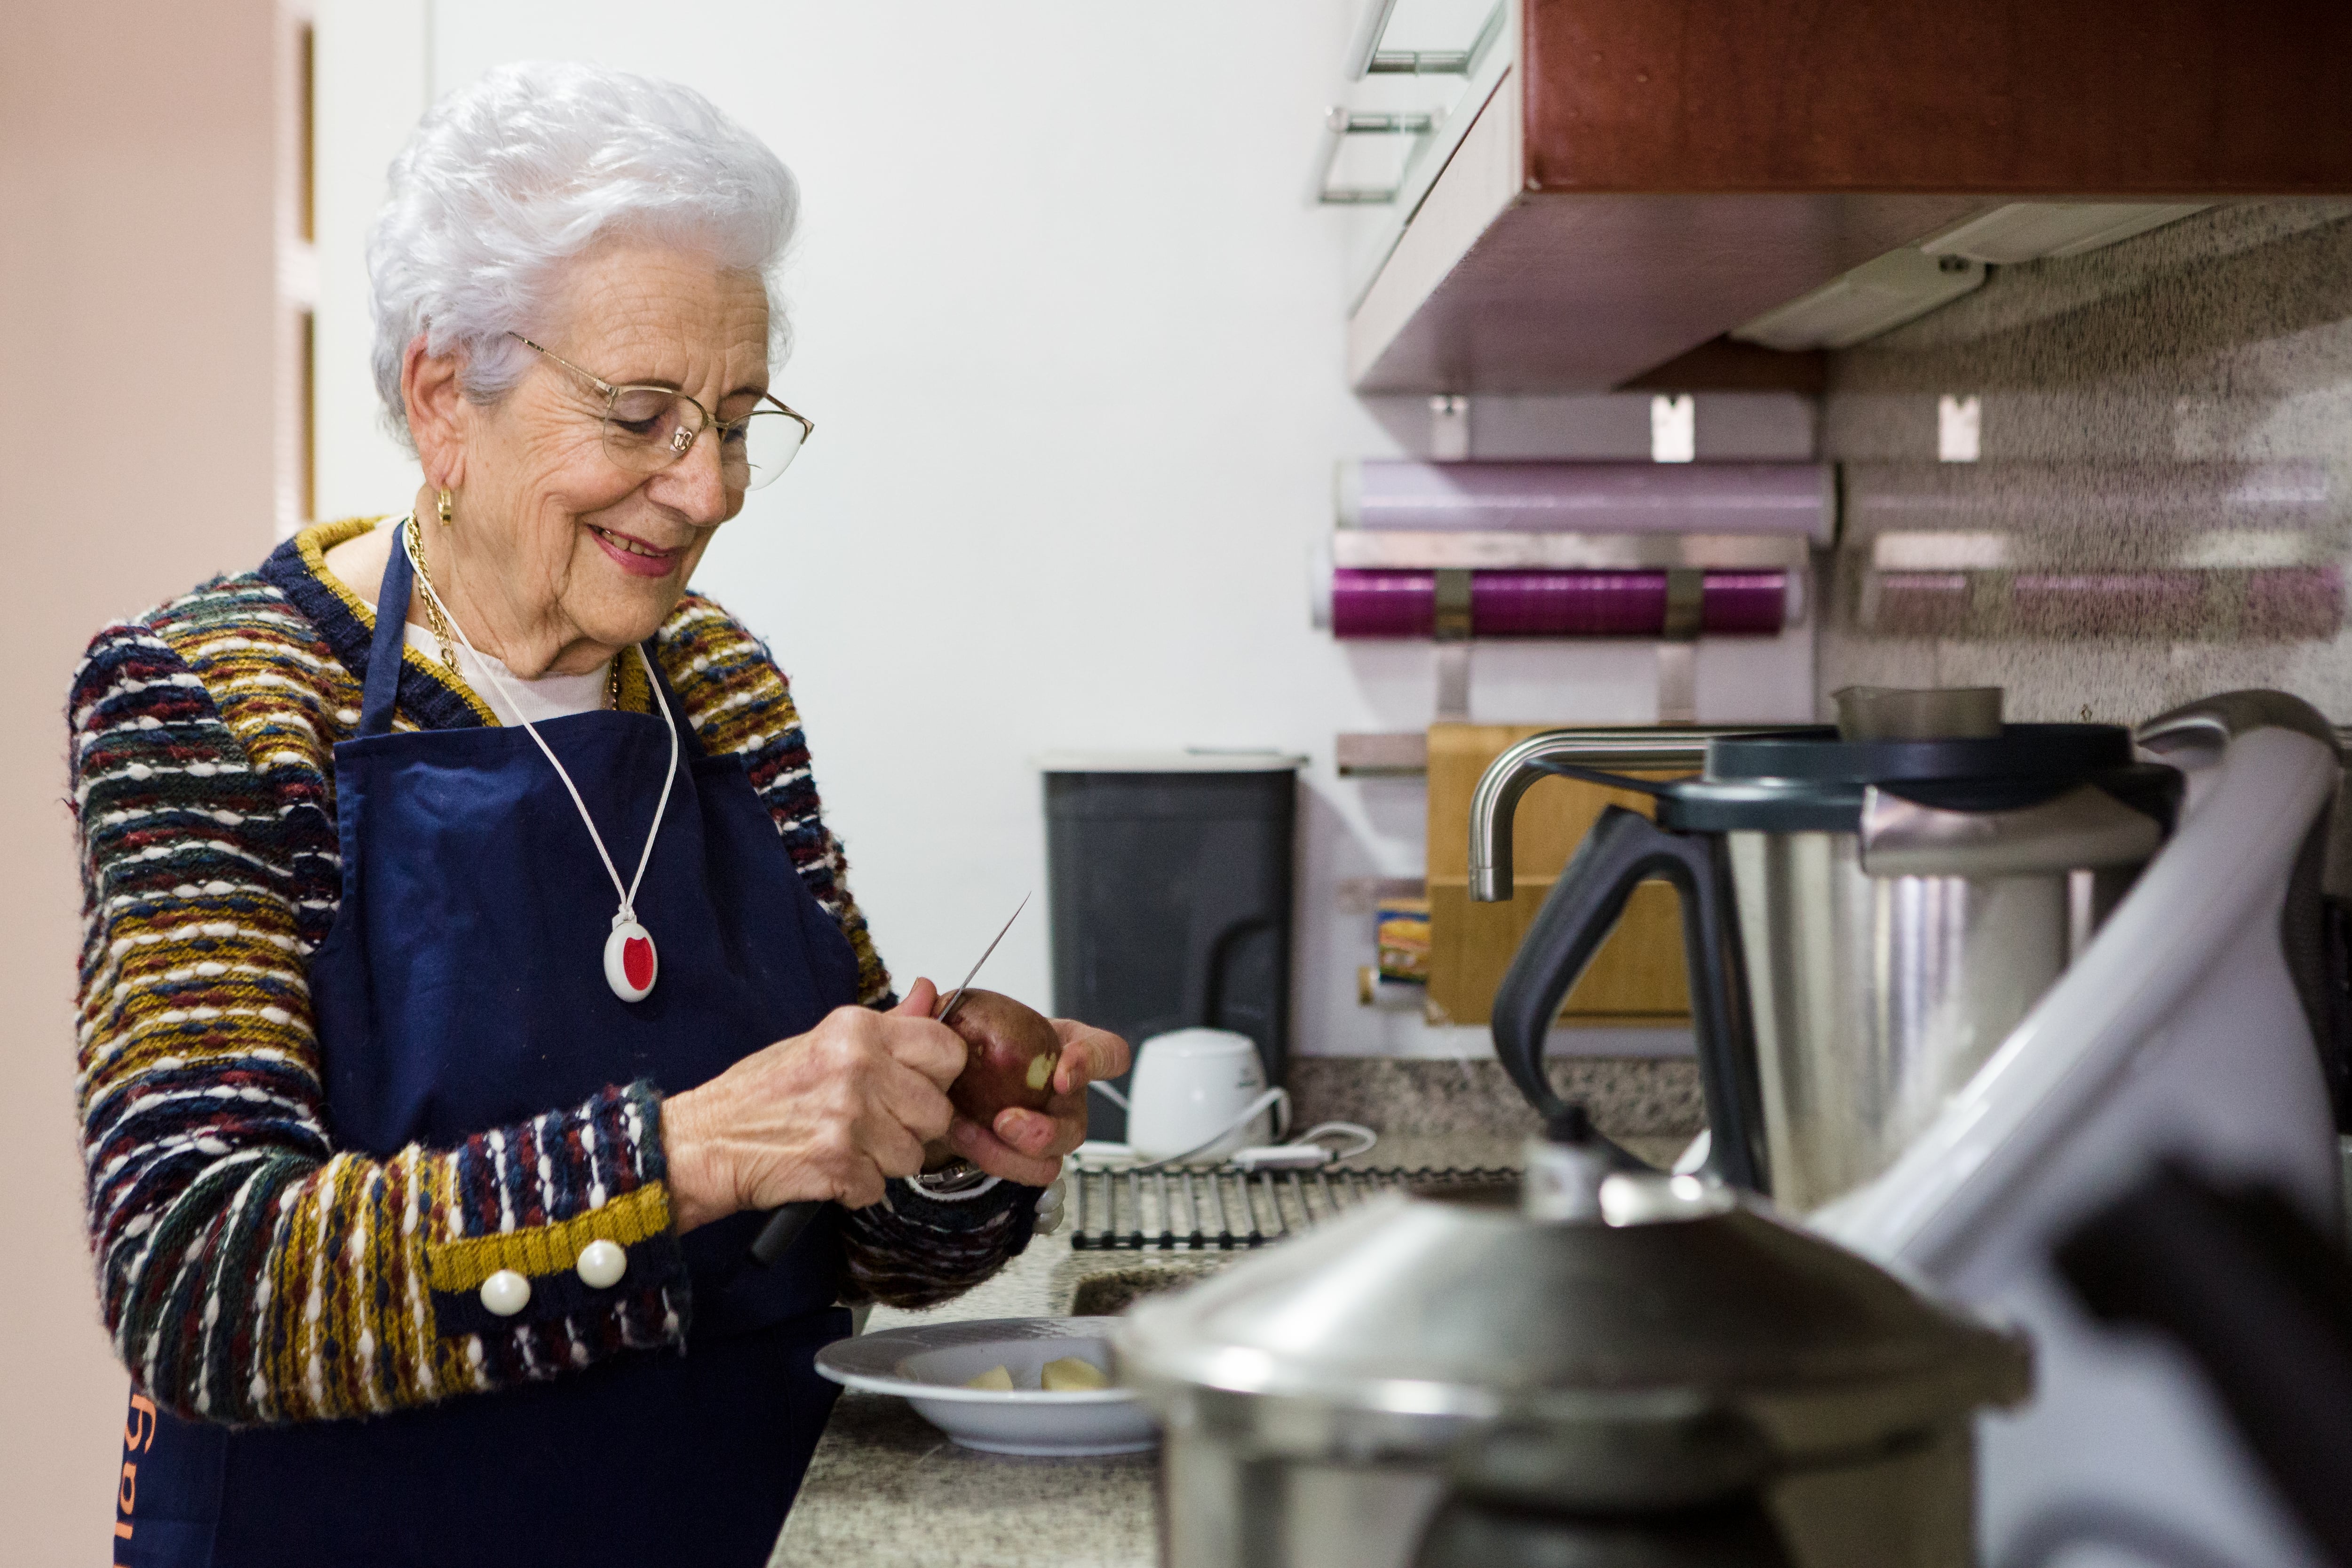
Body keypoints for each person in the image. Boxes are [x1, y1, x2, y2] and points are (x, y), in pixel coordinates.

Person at [70, 60, 1127, 1567]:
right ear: (446, 394)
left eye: (740, 420)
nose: (709, 492)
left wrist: (949, 1135)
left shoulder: (719, 685)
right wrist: (691, 1149)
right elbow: (202, 1279)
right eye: (643, 416)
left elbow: (840, 1235)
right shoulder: (219, 692)